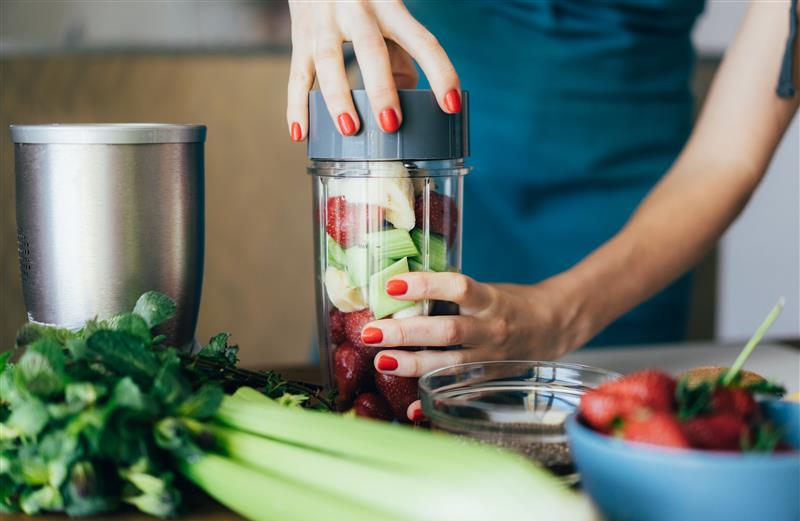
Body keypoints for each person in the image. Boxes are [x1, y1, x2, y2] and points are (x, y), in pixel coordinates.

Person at [286, 0, 799, 419]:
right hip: (412, 189)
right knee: (373, 390)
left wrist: (562, 313)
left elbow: (728, 156)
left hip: (626, 246)